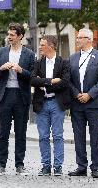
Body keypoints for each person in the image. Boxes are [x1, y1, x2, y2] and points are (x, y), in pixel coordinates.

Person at [0, 23, 35, 176]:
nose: (9, 37)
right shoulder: (1, 52)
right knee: (3, 132)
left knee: (20, 132)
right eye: (8, 34)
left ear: (20, 36)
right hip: (5, 95)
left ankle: (20, 165)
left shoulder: (29, 54)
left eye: (12, 35)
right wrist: (2, 68)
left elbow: (33, 77)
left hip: (21, 96)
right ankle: (0, 165)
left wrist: (21, 70)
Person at [68, 28, 98, 179]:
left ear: (89, 39)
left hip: (94, 104)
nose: (77, 40)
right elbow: (68, 80)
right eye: (77, 37)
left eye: (80, 38)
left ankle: (96, 167)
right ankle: (81, 166)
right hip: (77, 103)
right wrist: (77, 94)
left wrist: (89, 95)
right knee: (78, 136)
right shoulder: (72, 58)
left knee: (95, 137)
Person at [31, 35, 71, 176]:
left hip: (56, 103)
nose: (40, 47)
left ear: (51, 46)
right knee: (43, 136)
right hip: (41, 103)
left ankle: (58, 166)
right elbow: (32, 80)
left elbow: (65, 82)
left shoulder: (63, 62)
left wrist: (44, 85)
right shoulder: (38, 62)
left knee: (58, 136)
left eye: (42, 44)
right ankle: (46, 166)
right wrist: (51, 81)